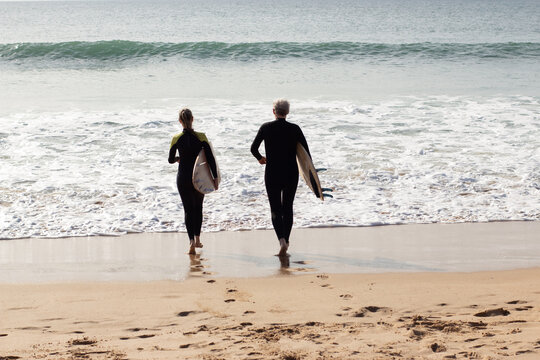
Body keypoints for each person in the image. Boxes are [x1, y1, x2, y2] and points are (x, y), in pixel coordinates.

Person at [251, 99, 311, 256]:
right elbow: (306, 154)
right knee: (288, 207)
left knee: (275, 208)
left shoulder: (266, 127)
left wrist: (260, 158)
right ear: (287, 112)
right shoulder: (295, 129)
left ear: (273, 111)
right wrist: (310, 175)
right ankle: (287, 240)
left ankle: (281, 240)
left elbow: (253, 148)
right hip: (291, 172)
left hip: (272, 172)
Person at [169, 108, 218, 254]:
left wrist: (179, 159)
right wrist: (215, 178)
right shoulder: (201, 137)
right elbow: (211, 159)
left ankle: (190, 242)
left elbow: (170, 160)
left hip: (183, 177)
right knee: (198, 208)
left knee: (188, 210)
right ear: (192, 119)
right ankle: (197, 239)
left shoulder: (176, 138)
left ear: (180, 121)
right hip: (199, 177)